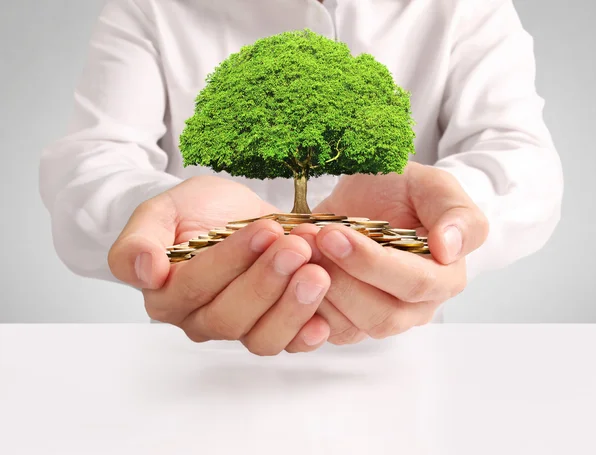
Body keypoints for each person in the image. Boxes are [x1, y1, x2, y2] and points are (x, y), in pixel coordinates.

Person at [39, 0, 563, 355]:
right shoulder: (151, 7)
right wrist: (164, 217)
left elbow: (519, 157)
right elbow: (92, 163)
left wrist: (440, 216)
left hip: (400, 362)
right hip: (198, 361)